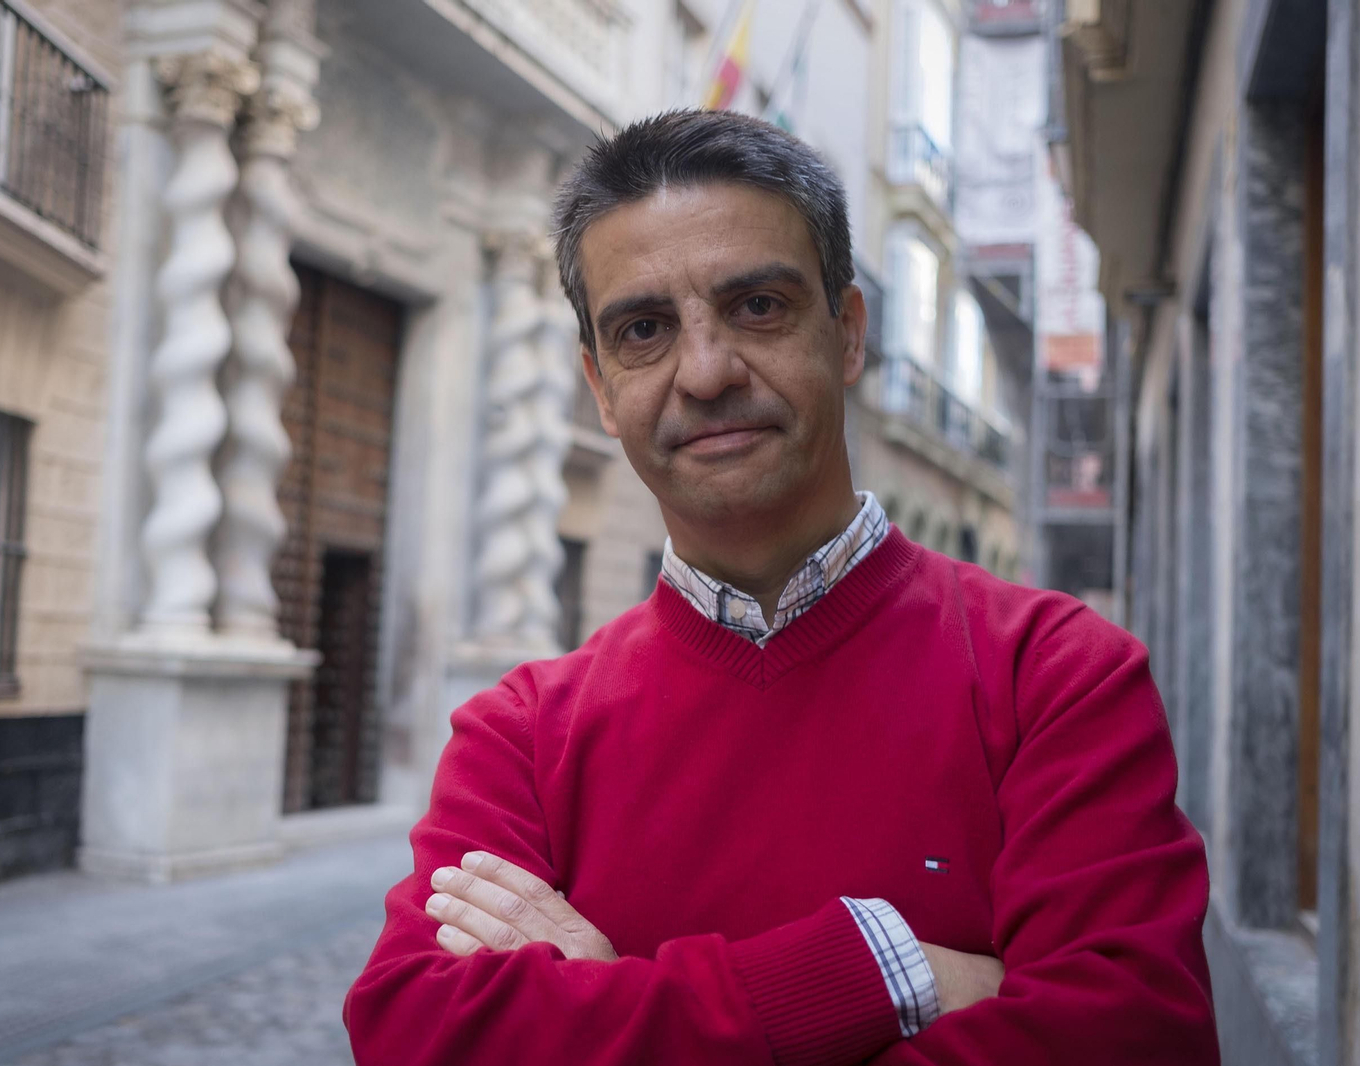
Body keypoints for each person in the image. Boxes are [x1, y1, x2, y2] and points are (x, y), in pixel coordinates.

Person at [344, 109, 1218, 1065]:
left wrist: (608, 1006)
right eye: (645, 330)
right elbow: (414, 1031)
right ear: (600, 387)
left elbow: (1135, 1038)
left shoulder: (1055, 675)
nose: (706, 372)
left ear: (848, 335)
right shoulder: (518, 736)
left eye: (758, 306)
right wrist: (875, 970)